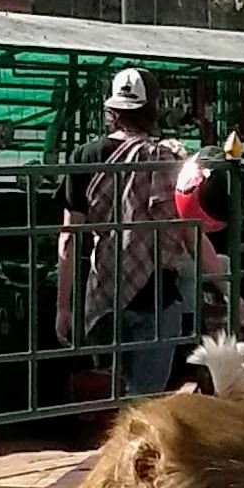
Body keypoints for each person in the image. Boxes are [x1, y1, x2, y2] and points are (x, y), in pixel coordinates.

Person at [57, 66, 221, 396]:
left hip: (104, 295)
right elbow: (189, 233)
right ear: (152, 109)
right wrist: (226, 287)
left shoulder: (84, 156)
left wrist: (63, 305)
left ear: (112, 110)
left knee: (112, 397)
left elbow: (69, 237)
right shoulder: (165, 159)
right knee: (145, 401)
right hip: (156, 299)